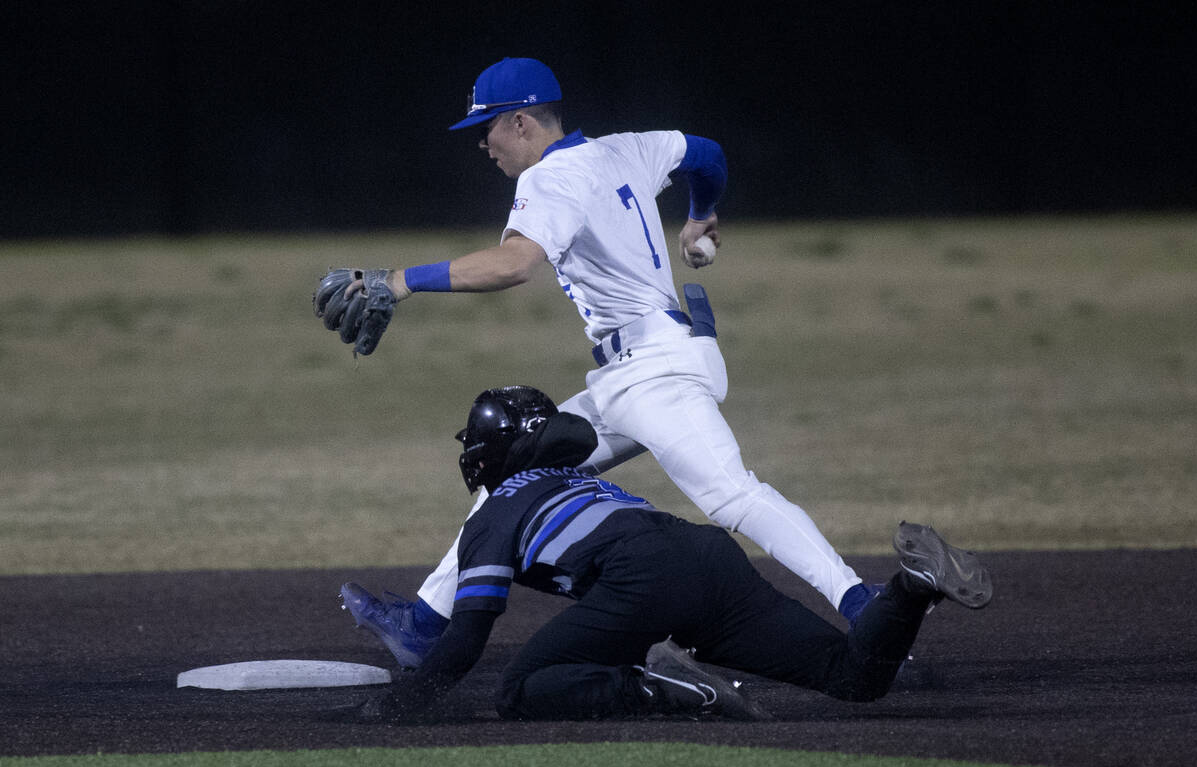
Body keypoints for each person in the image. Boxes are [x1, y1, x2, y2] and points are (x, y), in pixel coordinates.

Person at [317, 57, 880, 667]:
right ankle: (425, 625)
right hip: (626, 375)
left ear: (524, 122)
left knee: (731, 495)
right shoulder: (627, 149)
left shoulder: (548, 180)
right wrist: (699, 213)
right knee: (511, 478)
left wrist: (400, 281)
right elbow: (708, 153)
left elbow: (514, 265)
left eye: (488, 128)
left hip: (657, 374)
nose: (483, 143)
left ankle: (860, 604)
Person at [336, 386, 992, 722]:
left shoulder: (495, 512)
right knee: (856, 677)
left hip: (639, 577)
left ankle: (657, 685)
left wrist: (402, 704)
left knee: (521, 690)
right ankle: (909, 587)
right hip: (707, 554)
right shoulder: (579, 480)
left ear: (493, 454)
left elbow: (468, 639)